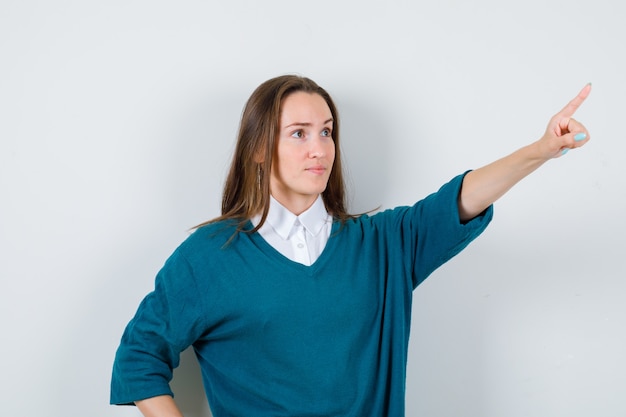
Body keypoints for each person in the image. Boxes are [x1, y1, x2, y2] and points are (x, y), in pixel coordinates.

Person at [110, 75, 591, 417]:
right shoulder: (209, 256)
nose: (319, 148)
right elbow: (138, 358)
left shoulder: (383, 244)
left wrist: (541, 150)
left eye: (326, 131)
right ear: (259, 148)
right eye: (298, 134)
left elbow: (459, 200)